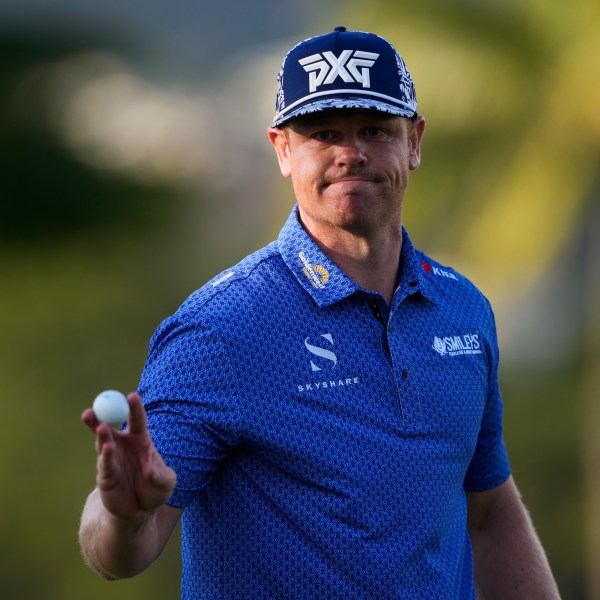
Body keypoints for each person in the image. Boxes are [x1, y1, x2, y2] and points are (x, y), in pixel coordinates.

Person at [79, 26, 561, 599]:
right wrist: (124, 517)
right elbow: (122, 551)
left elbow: (488, 511)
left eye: (375, 130)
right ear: (283, 150)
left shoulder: (461, 310)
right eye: (322, 133)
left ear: (415, 141)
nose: (350, 153)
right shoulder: (224, 326)